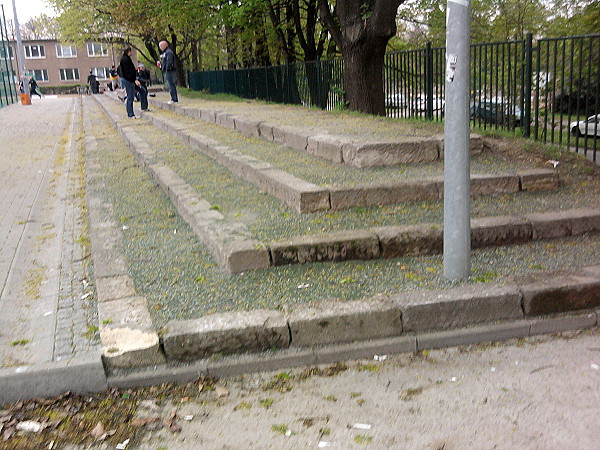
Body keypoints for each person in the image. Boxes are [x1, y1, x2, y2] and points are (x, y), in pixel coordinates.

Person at [119, 46, 148, 118]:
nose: (132, 53)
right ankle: (130, 114)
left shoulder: (127, 59)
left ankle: (144, 107)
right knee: (130, 97)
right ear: (128, 52)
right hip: (129, 80)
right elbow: (127, 72)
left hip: (130, 79)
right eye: (131, 51)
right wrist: (134, 80)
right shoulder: (125, 60)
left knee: (142, 91)